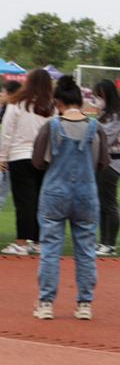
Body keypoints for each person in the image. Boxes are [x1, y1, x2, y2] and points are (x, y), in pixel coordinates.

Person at [30, 75, 110, 320]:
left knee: (50, 249)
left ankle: (46, 303)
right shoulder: (96, 128)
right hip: (86, 194)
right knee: (85, 250)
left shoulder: (52, 126)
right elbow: (103, 162)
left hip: (55, 192)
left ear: (58, 102)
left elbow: (37, 161)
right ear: (81, 101)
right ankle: (84, 303)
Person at [0, 69, 54, 256]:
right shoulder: (50, 106)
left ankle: (21, 242)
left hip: (19, 156)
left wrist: (2, 157)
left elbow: (7, 132)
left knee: (23, 202)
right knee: (41, 201)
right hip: (44, 158)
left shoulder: (16, 103)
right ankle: (38, 242)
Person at [92, 80, 120, 257]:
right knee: (103, 204)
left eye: (99, 96)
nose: (97, 99)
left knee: (109, 204)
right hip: (104, 163)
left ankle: (110, 243)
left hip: (112, 163)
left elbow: (104, 137)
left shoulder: (117, 115)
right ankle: (104, 242)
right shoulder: (107, 113)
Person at [0, 80, 23, 214]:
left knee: (4, 193)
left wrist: (3, 158)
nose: (1, 94)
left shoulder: (14, 111)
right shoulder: (6, 109)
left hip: (8, 159)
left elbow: (8, 136)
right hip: (9, 158)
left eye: (3, 92)